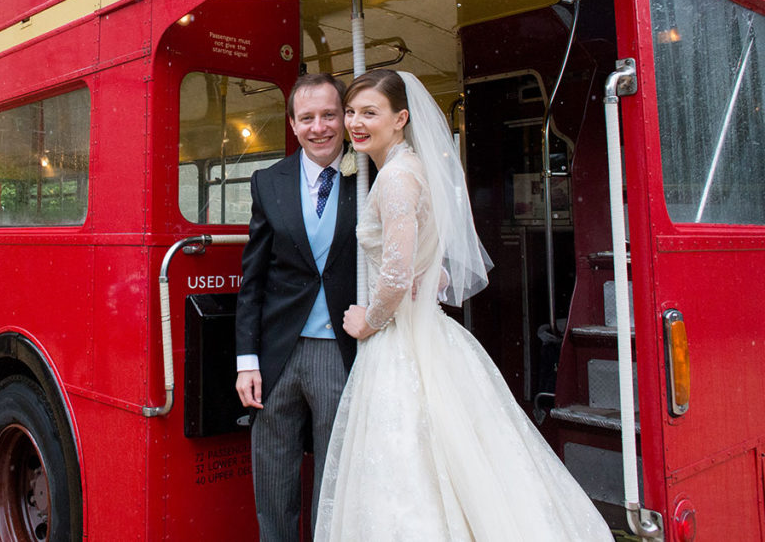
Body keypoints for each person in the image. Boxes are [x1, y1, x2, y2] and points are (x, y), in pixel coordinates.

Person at [315, 69, 614, 541]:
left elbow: (393, 274)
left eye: (369, 112)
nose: (354, 122)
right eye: (351, 111)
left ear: (401, 118)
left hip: (399, 339)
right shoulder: (411, 167)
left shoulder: (395, 178)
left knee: (404, 461)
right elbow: (427, 260)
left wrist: (366, 321)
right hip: (426, 331)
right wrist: (428, 274)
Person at [235, 73, 358, 542]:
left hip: (340, 353)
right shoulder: (268, 182)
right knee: (273, 482)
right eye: (308, 118)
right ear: (292, 124)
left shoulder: (367, 175)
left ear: (344, 120)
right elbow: (254, 280)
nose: (319, 127)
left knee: (335, 484)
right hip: (276, 356)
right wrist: (247, 360)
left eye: (329, 115)